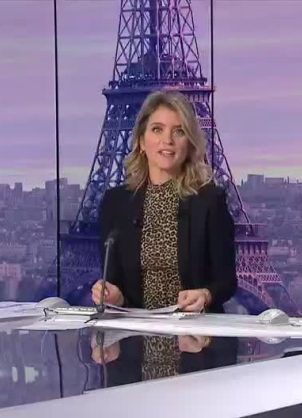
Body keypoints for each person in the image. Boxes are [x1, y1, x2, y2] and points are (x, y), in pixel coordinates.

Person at [90, 90, 238, 379]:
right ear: (141, 140)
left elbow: (227, 280)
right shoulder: (116, 203)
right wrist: (112, 295)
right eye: (157, 129)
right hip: (133, 350)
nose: (167, 140)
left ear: (189, 143)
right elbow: (115, 282)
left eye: (178, 131)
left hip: (195, 348)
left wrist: (205, 295)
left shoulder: (209, 201)